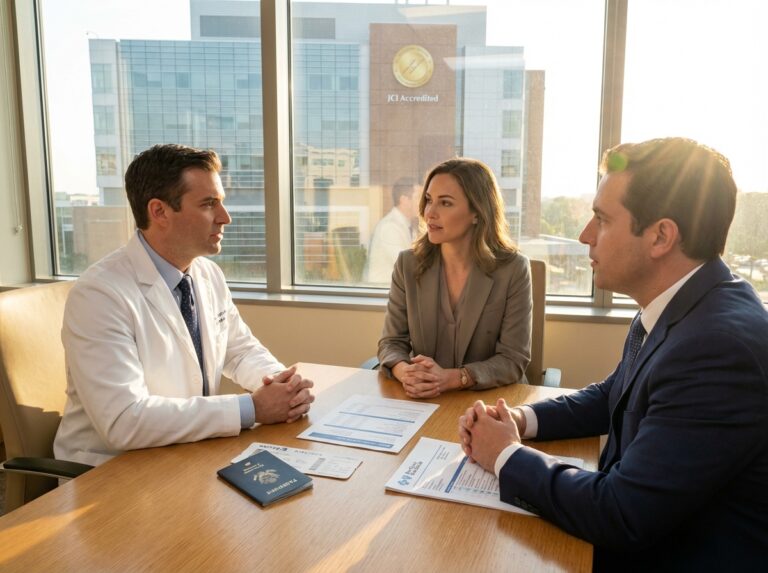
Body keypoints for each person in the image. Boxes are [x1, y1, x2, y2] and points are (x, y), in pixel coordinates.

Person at [459, 137, 768, 571]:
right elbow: (615, 394)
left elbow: (622, 513)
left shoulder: (717, 348)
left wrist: (505, 454)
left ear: (661, 235)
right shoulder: (683, 304)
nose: (585, 236)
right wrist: (522, 421)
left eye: (601, 220)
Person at [54, 144, 315, 467]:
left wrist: (282, 385)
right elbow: (124, 421)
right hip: (111, 471)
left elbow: (240, 350)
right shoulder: (100, 295)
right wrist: (253, 408)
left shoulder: (206, 273)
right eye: (209, 204)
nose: (225, 218)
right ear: (159, 211)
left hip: (184, 452)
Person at [377, 158, 532, 398]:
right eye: (428, 200)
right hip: (425, 400)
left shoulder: (513, 270)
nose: (430, 212)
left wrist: (454, 378)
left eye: (445, 203)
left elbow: (513, 359)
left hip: (489, 401)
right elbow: (391, 342)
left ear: (477, 213)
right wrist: (404, 372)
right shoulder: (408, 264)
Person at [365, 177, 420, 284]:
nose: (422, 202)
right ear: (404, 200)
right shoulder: (389, 228)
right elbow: (408, 266)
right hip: (383, 293)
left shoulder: (407, 226)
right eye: (417, 197)